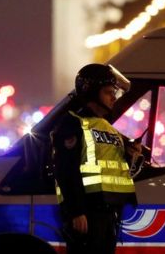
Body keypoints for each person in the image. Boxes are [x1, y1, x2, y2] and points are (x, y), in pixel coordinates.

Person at [52, 63, 142, 254]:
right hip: (88, 211)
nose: (113, 97)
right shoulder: (73, 123)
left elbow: (109, 164)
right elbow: (66, 170)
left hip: (108, 211)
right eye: (108, 92)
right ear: (92, 93)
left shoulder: (106, 126)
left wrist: (129, 153)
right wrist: (76, 212)